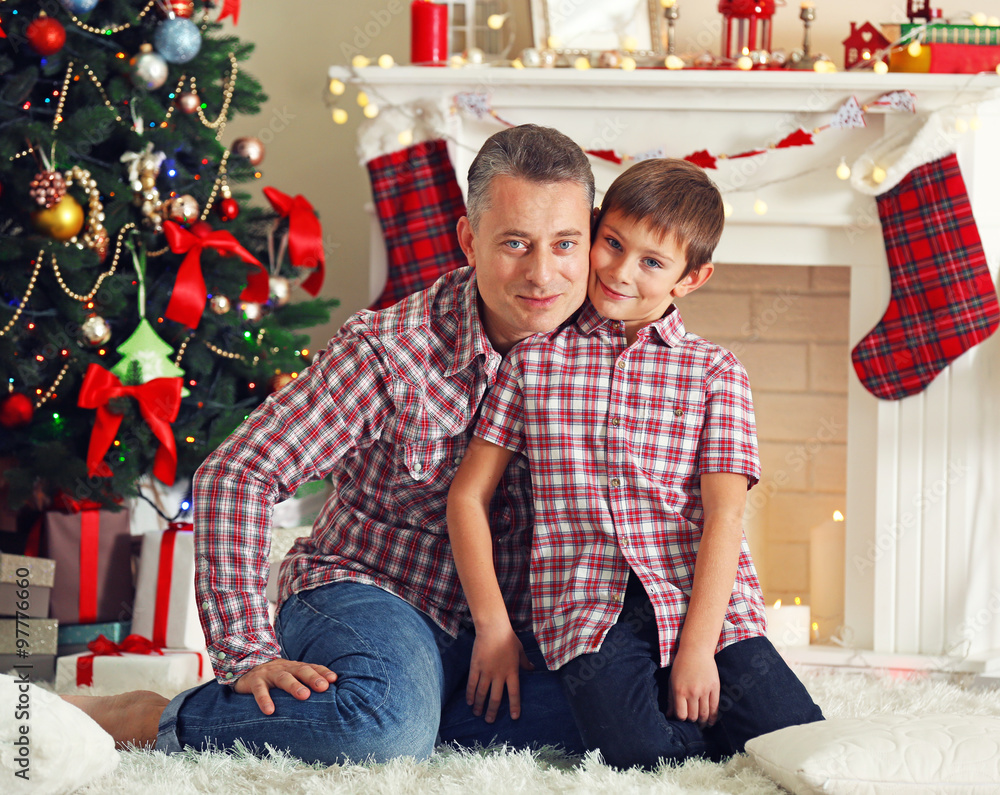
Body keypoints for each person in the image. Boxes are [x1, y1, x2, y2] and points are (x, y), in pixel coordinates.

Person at [64, 124, 595, 765]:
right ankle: (152, 717)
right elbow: (238, 473)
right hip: (379, 595)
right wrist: (246, 651)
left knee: (634, 713)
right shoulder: (389, 350)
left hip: (511, 630)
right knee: (383, 729)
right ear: (468, 241)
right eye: (515, 243)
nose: (543, 274)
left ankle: (419, 713)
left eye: (565, 244)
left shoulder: (609, 350)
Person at [446, 158, 824, 769]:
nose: (621, 272)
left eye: (652, 262)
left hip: (704, 602)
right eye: (613, 244)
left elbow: (725, 518)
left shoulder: (715, 372)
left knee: (798, 739)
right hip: (588, 610)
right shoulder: (534, 361)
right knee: (640, 750)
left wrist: (699, 649)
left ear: (690, 278)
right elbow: (468, 497)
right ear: (594, 231)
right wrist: (494, 626)